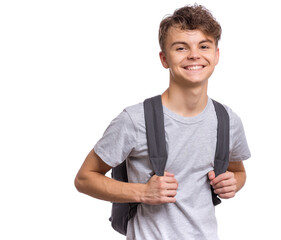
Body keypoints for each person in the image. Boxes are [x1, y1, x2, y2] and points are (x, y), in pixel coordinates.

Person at [75, 4, 251, 240]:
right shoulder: (135, 120)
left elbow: (238, 171)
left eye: (204, 46)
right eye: (181, 47)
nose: (194, 55)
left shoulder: (228, 120)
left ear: (216, 55)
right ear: (164, 58)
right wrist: (143, 192)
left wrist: (234, 182)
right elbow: (85, 178)